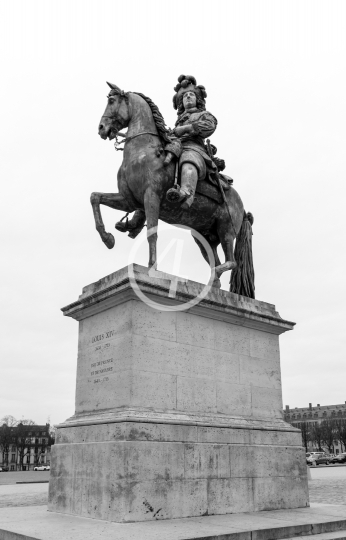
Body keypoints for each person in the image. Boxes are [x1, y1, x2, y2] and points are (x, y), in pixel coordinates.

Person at [165, 74, 218, 209]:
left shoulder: (203, 115)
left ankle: (187, 193)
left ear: (198, 99)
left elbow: (209, 126)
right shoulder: (178, 122)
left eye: (191, 94)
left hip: (194, 148)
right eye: (184, 96)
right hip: (175, 147)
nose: (187, 96)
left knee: (188, 157)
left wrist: (185, 128)